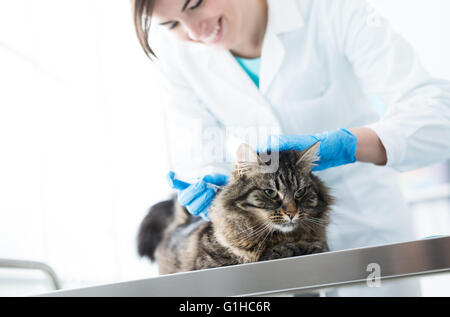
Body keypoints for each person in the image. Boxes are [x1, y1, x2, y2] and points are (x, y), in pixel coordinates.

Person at [132, 0, 450, 295]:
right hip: (266, 250)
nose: (194, 31)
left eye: (196, 3)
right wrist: (208, 180)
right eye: (171, 24)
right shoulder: (178, 58)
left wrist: (350, 145)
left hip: (366, 231)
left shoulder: (329, 11)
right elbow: (198, 151)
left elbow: (437, 114)